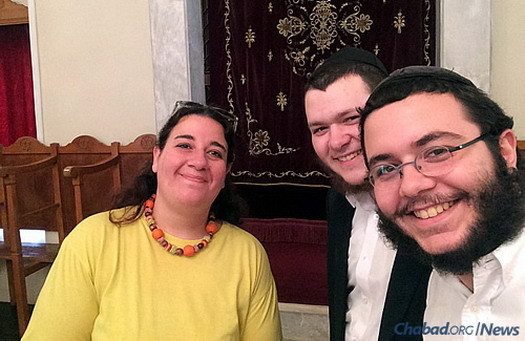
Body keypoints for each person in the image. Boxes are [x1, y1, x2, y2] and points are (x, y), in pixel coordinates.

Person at [22, 101, 282, 340]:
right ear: (157, 157)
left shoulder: (248, 255)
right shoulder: (92, 240)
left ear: (225, 173)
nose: (199, 161)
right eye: (184, 145)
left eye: (214, 153)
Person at [360, 66, 525, 339]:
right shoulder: (440, 275)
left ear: (504, 151)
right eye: (386, 169)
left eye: (437, 152)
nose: (411, 186)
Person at [303, 47, 431, 341]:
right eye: (320, 128)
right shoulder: (339, 203)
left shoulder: (435, 199)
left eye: (350, 118)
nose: (336, 142)